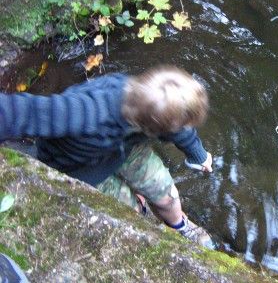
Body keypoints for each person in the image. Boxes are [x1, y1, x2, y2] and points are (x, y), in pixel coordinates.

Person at [0, 66, 214, 247]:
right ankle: (143, 211)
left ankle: (179, 225)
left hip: (126, 149)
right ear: (153, 126)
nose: (184, 129)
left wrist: (198, 155)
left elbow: (180, 123)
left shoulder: (151, 100)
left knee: (167, 196)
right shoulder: (84, 112)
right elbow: (14, 112)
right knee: (131, 212)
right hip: (81, 168)